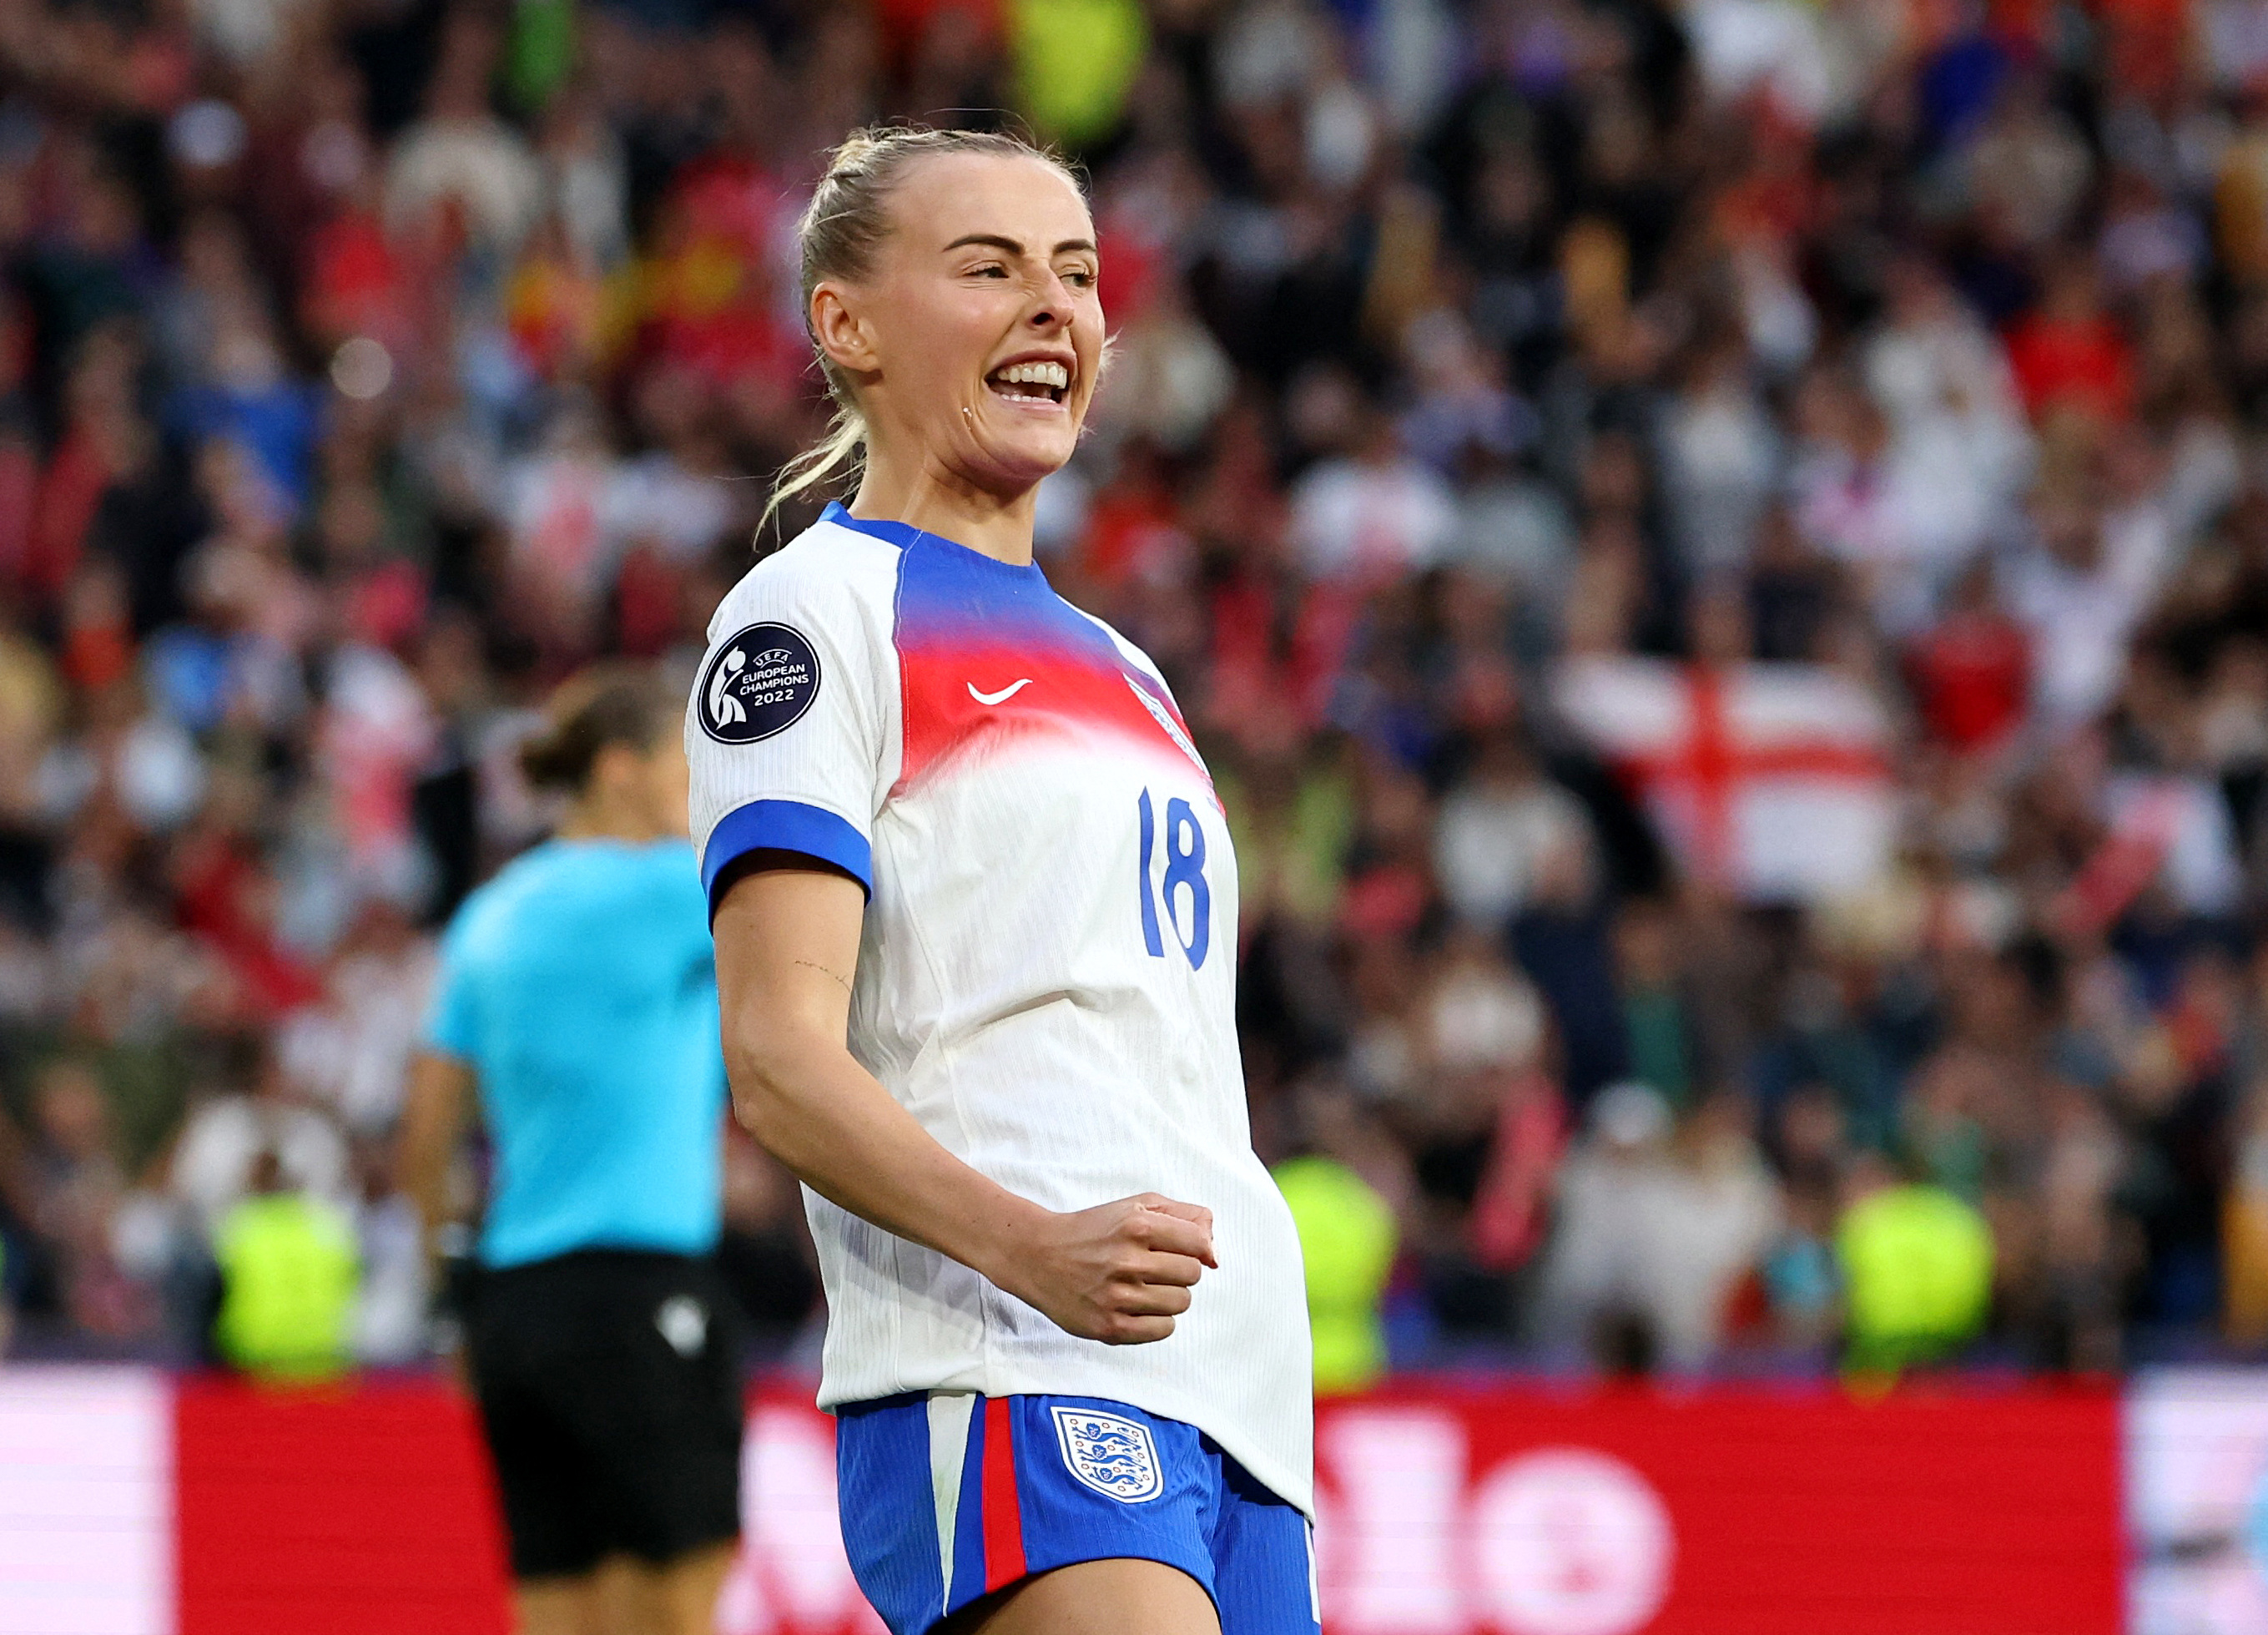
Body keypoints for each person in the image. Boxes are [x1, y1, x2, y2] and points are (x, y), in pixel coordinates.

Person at [691, 126, 1315, 1635]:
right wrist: (1031, 1248)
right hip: (1007, 1350)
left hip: (1231, 1385)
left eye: (1079, 275)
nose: (1055, 308)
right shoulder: (811, 613)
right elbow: (777, 1061)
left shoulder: (1131, 670)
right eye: (989, 268)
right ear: (845, 325)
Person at [399, 667, 739, 1635]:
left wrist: (451, 1303)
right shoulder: (679, 890)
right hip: (641, 1293)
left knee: (553, 1608)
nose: (699, 790)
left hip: (513, 1308)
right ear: (622, 770)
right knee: (676, 1605)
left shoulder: (488, 917)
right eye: (686, 765)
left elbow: (426, 1141)